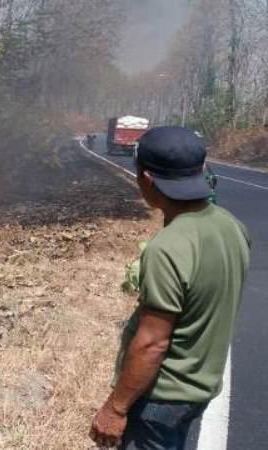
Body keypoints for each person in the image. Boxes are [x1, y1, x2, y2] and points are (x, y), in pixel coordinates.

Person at [90, 126, 251, 449]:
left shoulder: (168, 248)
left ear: (147, 181)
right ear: (202, 170)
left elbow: (152, 344)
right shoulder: (232, 227)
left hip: (161, 397)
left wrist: (115, 409)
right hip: (200, 386)